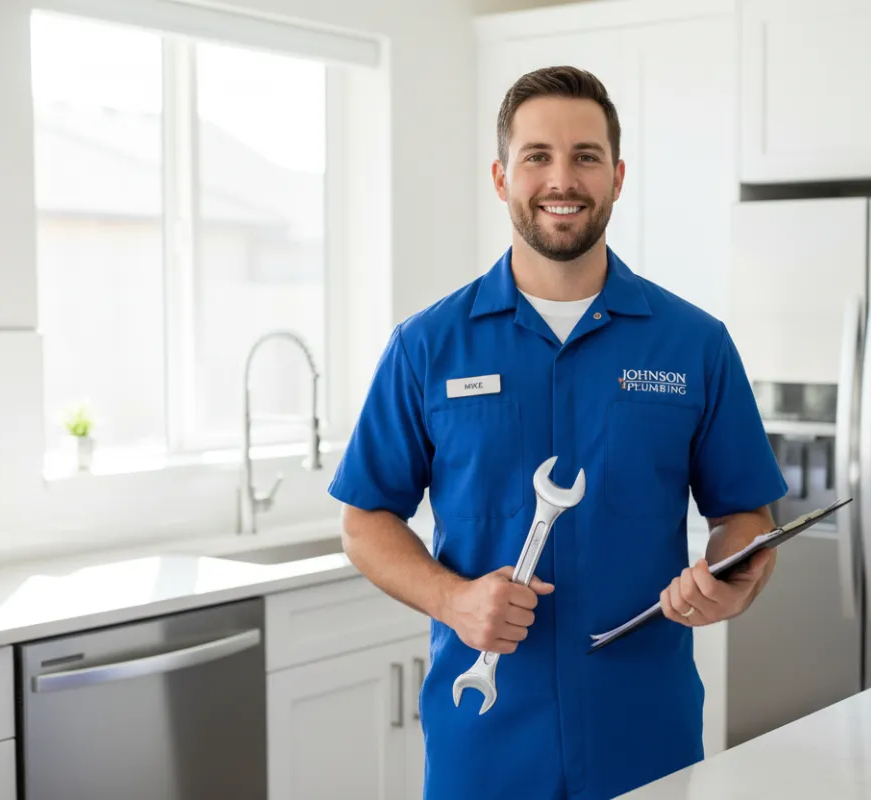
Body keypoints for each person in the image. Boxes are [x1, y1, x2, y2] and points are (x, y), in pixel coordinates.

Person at [328, 65, 788, 800]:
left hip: (647, 732)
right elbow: (363, 521)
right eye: (537, 155)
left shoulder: (695, 345)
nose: (561, 179)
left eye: (586, 156)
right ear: (500, 176)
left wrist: (733, 582)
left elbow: (745, 517)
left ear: (617, 175)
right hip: (482, 737)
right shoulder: (426, 347)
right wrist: (452, 601)